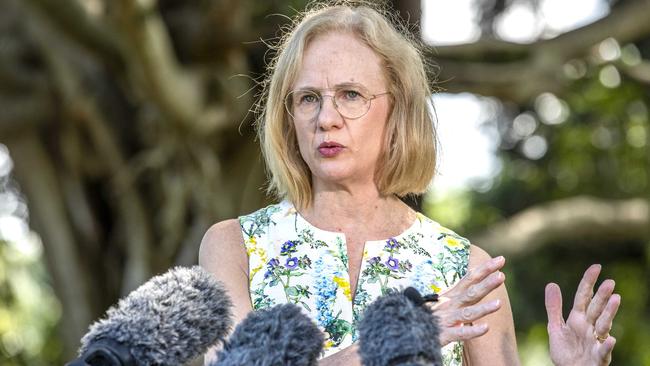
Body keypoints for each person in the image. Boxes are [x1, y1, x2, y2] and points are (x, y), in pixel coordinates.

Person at [199, 2, 620, 365]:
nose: (325, 118)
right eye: (308, 98)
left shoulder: (466, 269)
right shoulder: (234, 246)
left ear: (397, 111)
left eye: (350, 95)